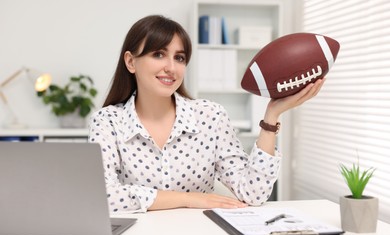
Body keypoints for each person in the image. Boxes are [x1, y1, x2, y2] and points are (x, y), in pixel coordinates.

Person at [88, 15, 324, 213]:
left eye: (179, 58)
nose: (171, 67)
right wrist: (189, 199)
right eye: (158, 54)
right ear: (131, 62)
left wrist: (272, 115)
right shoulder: (108, 121)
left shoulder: (210, 116)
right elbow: (103, 197)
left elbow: (254, 192)